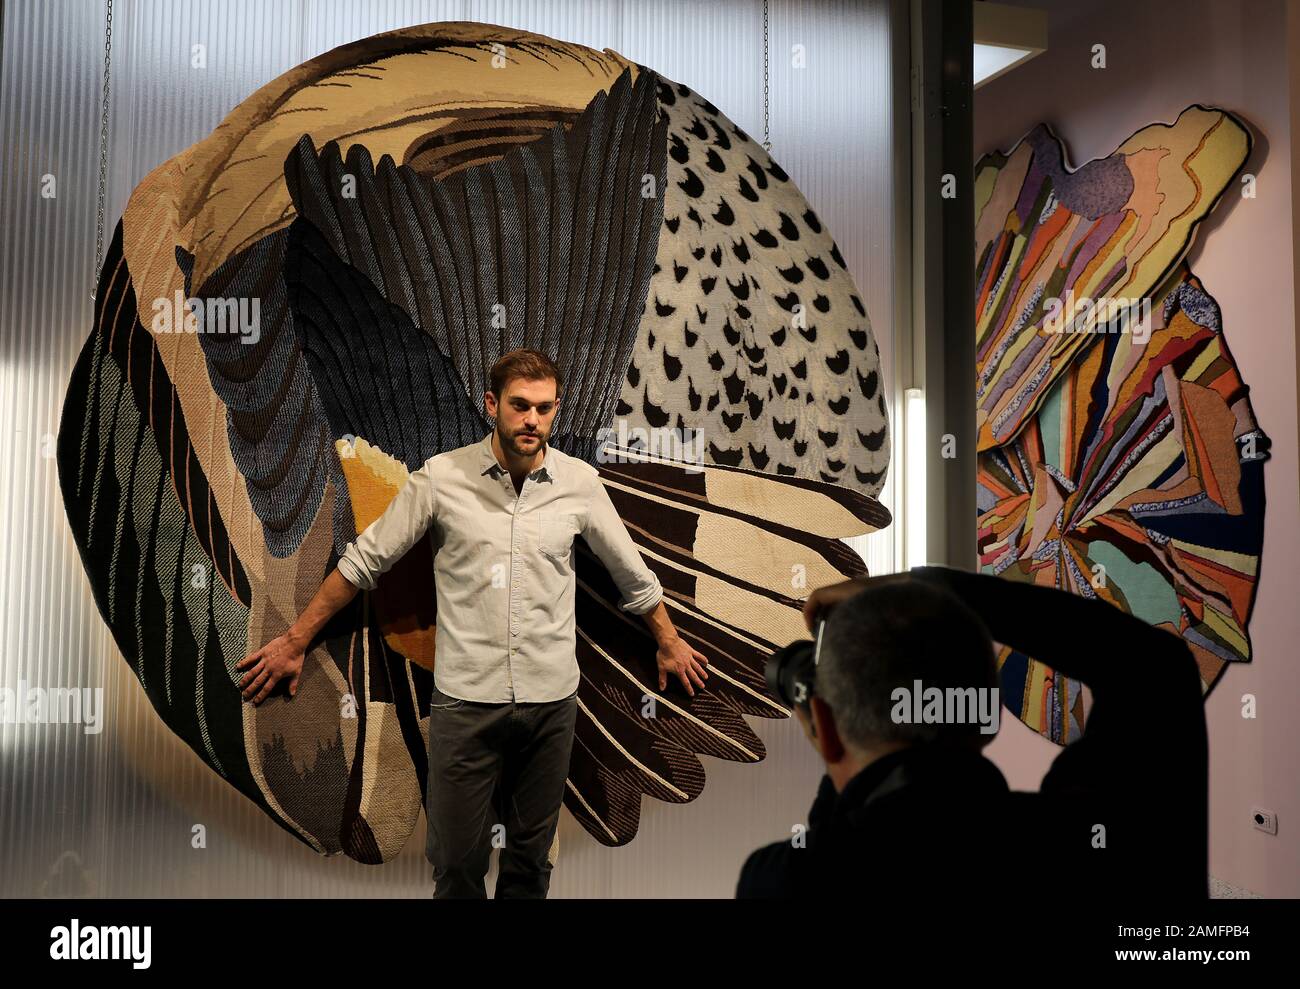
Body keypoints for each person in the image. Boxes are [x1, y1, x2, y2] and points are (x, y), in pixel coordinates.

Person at [236, 348, 708, 898]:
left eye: (545, 408)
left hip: (550, 705)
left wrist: (670, 643)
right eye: (520, 405)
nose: (532, 420)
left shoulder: (579, 484)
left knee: (531, 870)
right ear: (492, 405)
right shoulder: (440, 478)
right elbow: (363, 562)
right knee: (457, 870)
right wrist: (295, 641)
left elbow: (633, 575)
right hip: (465, 706)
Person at [736, 566, 1208, 900]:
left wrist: (832, 728)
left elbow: (847, 843)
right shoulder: (1104, 843)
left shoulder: (781, 882)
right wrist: (932, 586)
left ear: (824, 727)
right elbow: (1155, 666)